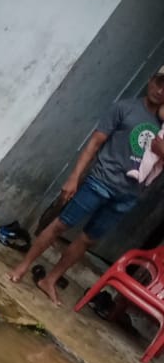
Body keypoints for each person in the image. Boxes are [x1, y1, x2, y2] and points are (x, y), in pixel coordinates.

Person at [10, 73, 164, 304]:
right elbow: (95, 142)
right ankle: (22, 267)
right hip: (101, 181)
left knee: (88, 240)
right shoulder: (125, 108)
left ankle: (50, 280)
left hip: (128, 196)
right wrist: (74, 177)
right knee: (60, 225)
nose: (160, 91)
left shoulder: (162, 124)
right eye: (159, 84)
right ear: (151, 81)